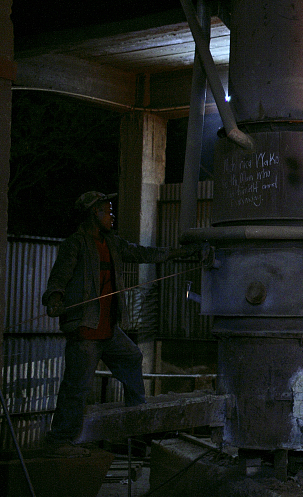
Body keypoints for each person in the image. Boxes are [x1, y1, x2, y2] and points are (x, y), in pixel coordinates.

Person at [42, 191, 197, 457]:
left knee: (132, 356)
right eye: (108, 211)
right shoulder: (75, 244)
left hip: (108, 330)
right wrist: (55, 298)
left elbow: (141, 253)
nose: (112, 216)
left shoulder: (112, 243)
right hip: (86, 330)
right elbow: (58, 278)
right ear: (94, 213)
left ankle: (137, 420)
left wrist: (174, 254)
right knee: (76, 389)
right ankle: (59, 441)